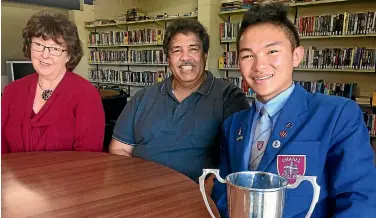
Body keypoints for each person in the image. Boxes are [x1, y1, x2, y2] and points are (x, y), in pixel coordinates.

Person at [211, 2, 376, 218]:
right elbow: (224, 194)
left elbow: (363, 207)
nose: (259, 65)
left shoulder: (336, 114)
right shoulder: (234, 126)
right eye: (247, 55)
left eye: (272, 51)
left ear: (297, 55)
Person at [109, 19, 250, 182]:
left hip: (197, 197)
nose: (185, 58)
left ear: (205, 54)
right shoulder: (143, 97)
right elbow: (119, 148)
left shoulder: (229, 98)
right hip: (142, 191)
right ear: (168, 58)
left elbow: (235, 162)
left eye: (193, 49)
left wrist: (206, 194)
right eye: (177, 50)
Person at [1, 11, 105, 153]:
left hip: (66, 175)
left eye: (55, 48)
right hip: (13, 175)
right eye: (38, 45)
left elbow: (88, 158)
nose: (44, 55)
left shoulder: (85, 94)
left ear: (68, 55)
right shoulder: (12, 91)